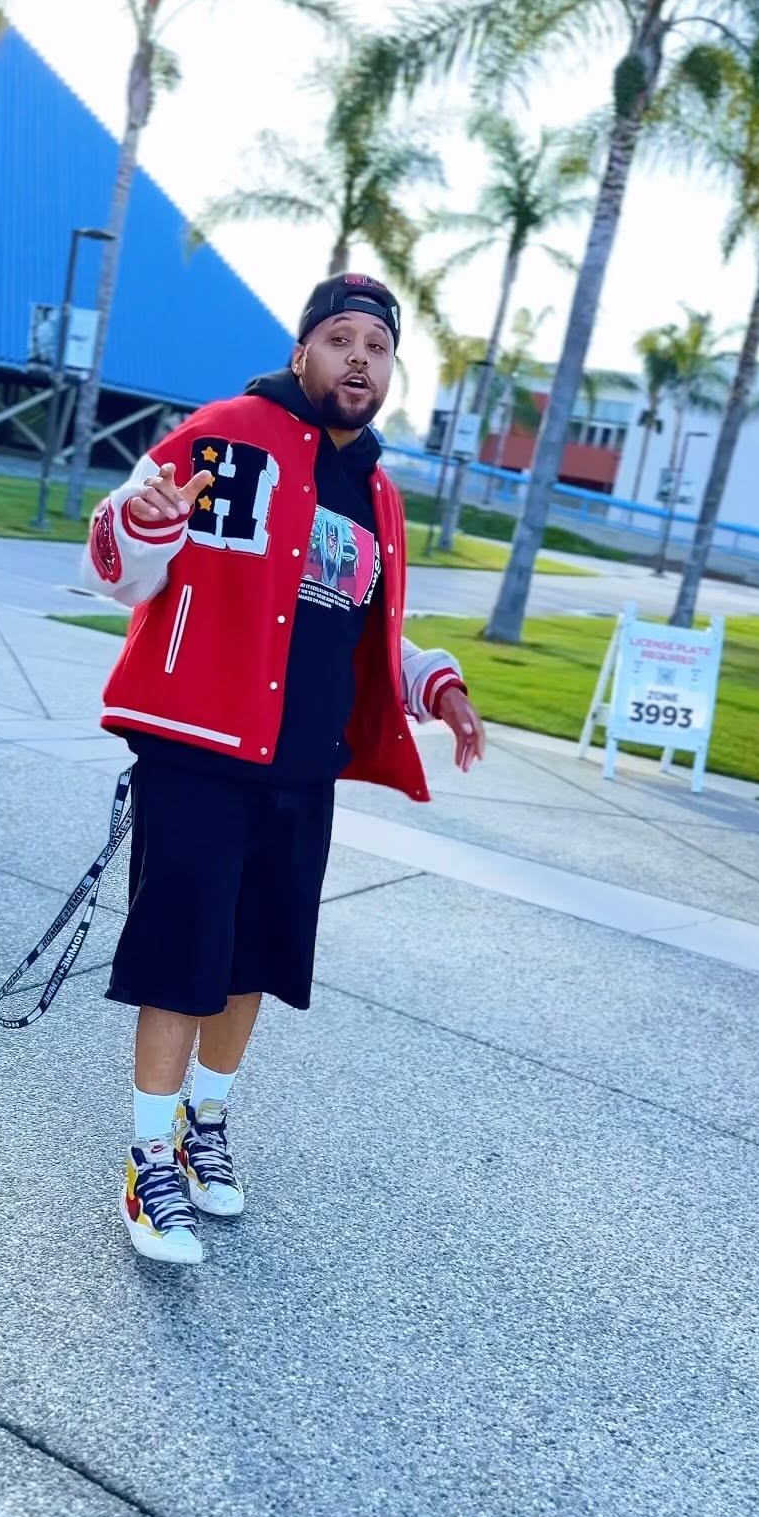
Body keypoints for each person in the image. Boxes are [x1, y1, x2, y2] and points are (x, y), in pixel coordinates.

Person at [84, 273, 485, 1265]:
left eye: (378, 347)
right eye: (340, 339)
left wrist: (435, 684)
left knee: (254, 957)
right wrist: (143, 522)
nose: (360, 359)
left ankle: (204, 1127)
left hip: (301, 765)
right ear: (303, 351)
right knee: (182, 957)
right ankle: (147, 1160)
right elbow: (119, 565)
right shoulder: (222, 435)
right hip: (199, 751)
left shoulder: (378, 493)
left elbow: (365, 624)